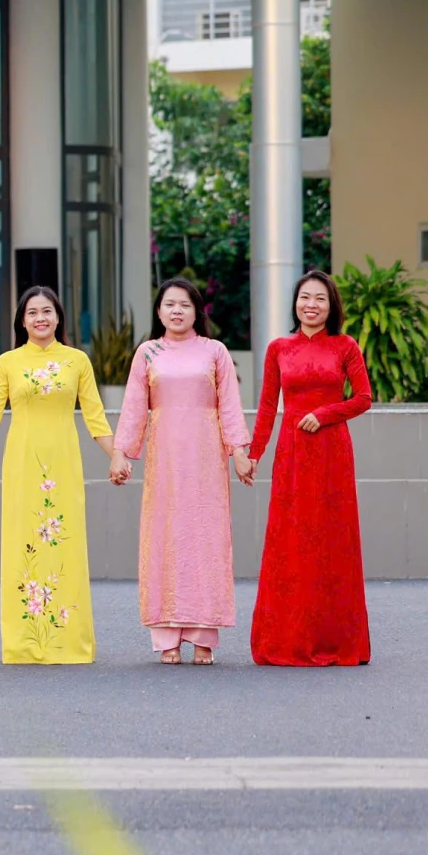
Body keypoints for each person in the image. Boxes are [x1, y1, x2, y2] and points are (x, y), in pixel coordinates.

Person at [0, 286, 114, 665]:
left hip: (63, 463)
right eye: (32, 312)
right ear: (22, 321)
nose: (40, 318)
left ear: (58, 317)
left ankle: (68, 642)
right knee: (23, 545)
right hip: (23, 464)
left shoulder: (77, 361)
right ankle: (24, 643)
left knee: (66, 545)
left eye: (47, 311)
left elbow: (95, 416)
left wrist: (118, 457)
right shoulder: (8, 362)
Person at [111, 277, 251, 665]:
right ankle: (167, 635)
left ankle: (204, 635)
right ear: (159, 311)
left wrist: (239, 451)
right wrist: (121, 454)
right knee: (165, 537)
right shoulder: (148, 353)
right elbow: (134, 407)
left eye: (185, 305)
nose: (177, 311)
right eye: (170, 304)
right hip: (165, 460)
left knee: (206, 537)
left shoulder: (215, 351)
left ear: (197, 311)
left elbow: (230, 406)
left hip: (206, 459)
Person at [246, 269, 374, 667]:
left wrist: (325, 414)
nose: (311, 305)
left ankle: (336, 639)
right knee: (292, 539)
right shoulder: (279, 349)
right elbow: (268, 406)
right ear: (295, 304)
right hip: (293, 454)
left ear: (331, 305)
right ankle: (288, 638)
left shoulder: (345, 346)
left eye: (320, 298)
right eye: (305, 297)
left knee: (333, 540)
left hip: (332, 453)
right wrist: (254, 453)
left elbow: (364, 398)